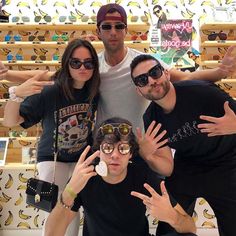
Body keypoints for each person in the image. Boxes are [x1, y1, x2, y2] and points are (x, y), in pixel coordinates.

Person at [1, 4, 236, 175]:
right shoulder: (92, 66)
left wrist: (219, 72)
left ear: (125, 30)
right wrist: (9, 75)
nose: (113, 31)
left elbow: (186, 78)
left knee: (144, 203)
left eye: (118, 26)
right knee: (107, 205)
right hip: (107, 146)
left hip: (144, 146)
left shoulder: (143, 63)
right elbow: (55, 76)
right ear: (98, 30)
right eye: (107, 26)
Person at [130, 54, 236, 236]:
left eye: (154, 72)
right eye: (142, 79)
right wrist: (148, 156)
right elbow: (168, 168)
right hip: (188, 166)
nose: (151, 81)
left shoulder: (201, 92)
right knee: (169, 225)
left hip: (227, 163)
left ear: (166, 74)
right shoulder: (151, 118)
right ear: (139, 90)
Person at [3, 38, 100, 236]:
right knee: (56, 211)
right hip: (53, 159)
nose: (82, 67)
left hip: (81, 158)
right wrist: (15, 94)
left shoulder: (94, 89)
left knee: (72, 211)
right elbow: (11, 121)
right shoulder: (51, 91)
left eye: (88, 63)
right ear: (67, 64)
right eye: (76, 62)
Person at [45, 117, 197, 236]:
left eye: (123, 148)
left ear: (131, 153)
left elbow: (191, 228)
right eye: (108, 148)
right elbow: (52, 234)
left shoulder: (143, 176)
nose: (115, 155)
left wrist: (171, 216)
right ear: (99, 151)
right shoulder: (84, 177)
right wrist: (69, 191)